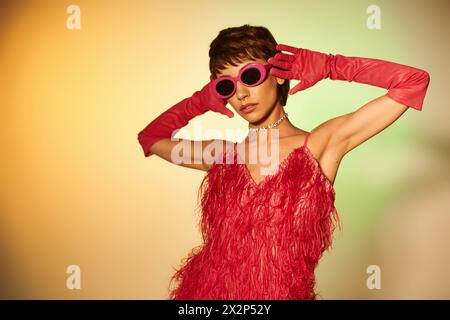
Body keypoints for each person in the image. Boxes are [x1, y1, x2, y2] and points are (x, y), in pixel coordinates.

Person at [137, 24, 430, 299]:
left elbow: (413, 82)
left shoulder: (319, 146)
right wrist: (199, 101)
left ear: (278, 74)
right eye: (226, 85)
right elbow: (151, 138)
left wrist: (330, 66)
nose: (241, 94)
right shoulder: (222, 156)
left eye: (250, 76)